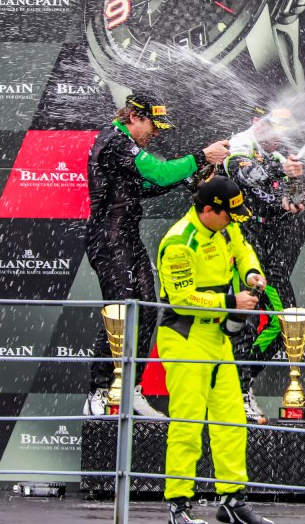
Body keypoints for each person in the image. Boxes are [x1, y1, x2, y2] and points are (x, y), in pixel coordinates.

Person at [83, 92, 230, 418]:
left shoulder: (125, 145)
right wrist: (201, 156)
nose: (156, 134)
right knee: (120, 311)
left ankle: (131, 387)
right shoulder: (115, 142)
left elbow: (147, 186)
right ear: (135, 117)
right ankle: (99, 390)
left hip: (127, 237)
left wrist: (193, 173)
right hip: (108, 238)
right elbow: (160, 173)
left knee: (147, 309)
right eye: (154, 126)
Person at [157, 176, 273, 524]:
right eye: (228, 216)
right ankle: (178, 507)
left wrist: (252, 274)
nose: (233, 223)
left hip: (218, 338)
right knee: (188, 424)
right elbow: (182, 299)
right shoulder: (179, 242)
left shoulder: (226, 226)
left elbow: (243, 249)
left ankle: (232, 502)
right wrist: (231, 302)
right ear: (208, 210)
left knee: (231, 421)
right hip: (185, 337)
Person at [224, 106, 305, 423]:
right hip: (242, 244)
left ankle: (240, 382)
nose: (279, 139)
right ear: (257, 123)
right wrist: (281, 172)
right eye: (275, 131)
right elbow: (247, 177)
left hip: (271, 247)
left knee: (285, 322)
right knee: (244, 323)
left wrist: (295, 186)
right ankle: (236, 392)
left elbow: (292, 201)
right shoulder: (239, 146)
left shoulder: (276, 157)